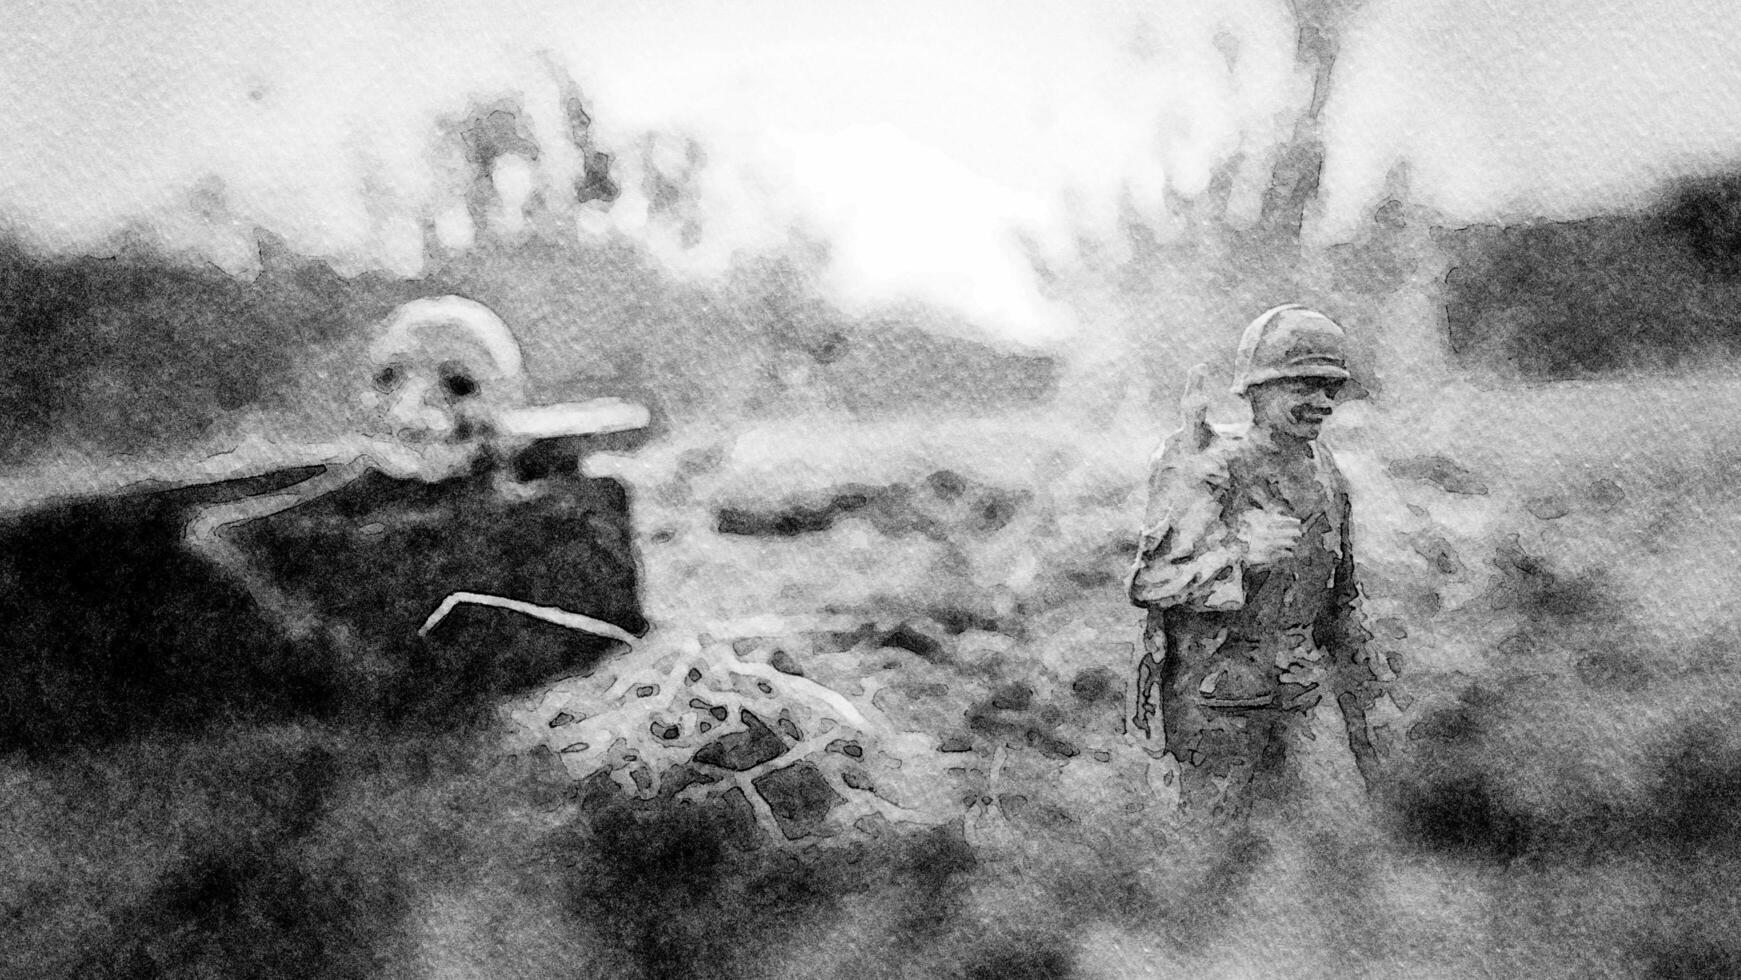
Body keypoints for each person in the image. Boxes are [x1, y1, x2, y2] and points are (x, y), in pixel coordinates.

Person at [1128, 304, 1385, 819]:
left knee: (1331, 840)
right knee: (1219, 849)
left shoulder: (1327, 474)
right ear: (1256, 391)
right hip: (1218, 706)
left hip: (1304, 693)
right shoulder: (1212, 469)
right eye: (1304, 386)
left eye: (1331, 388)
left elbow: (1342, 597)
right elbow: (1151, 581)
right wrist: (1242, 560)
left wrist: (1365, 693)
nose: (1322, 403)